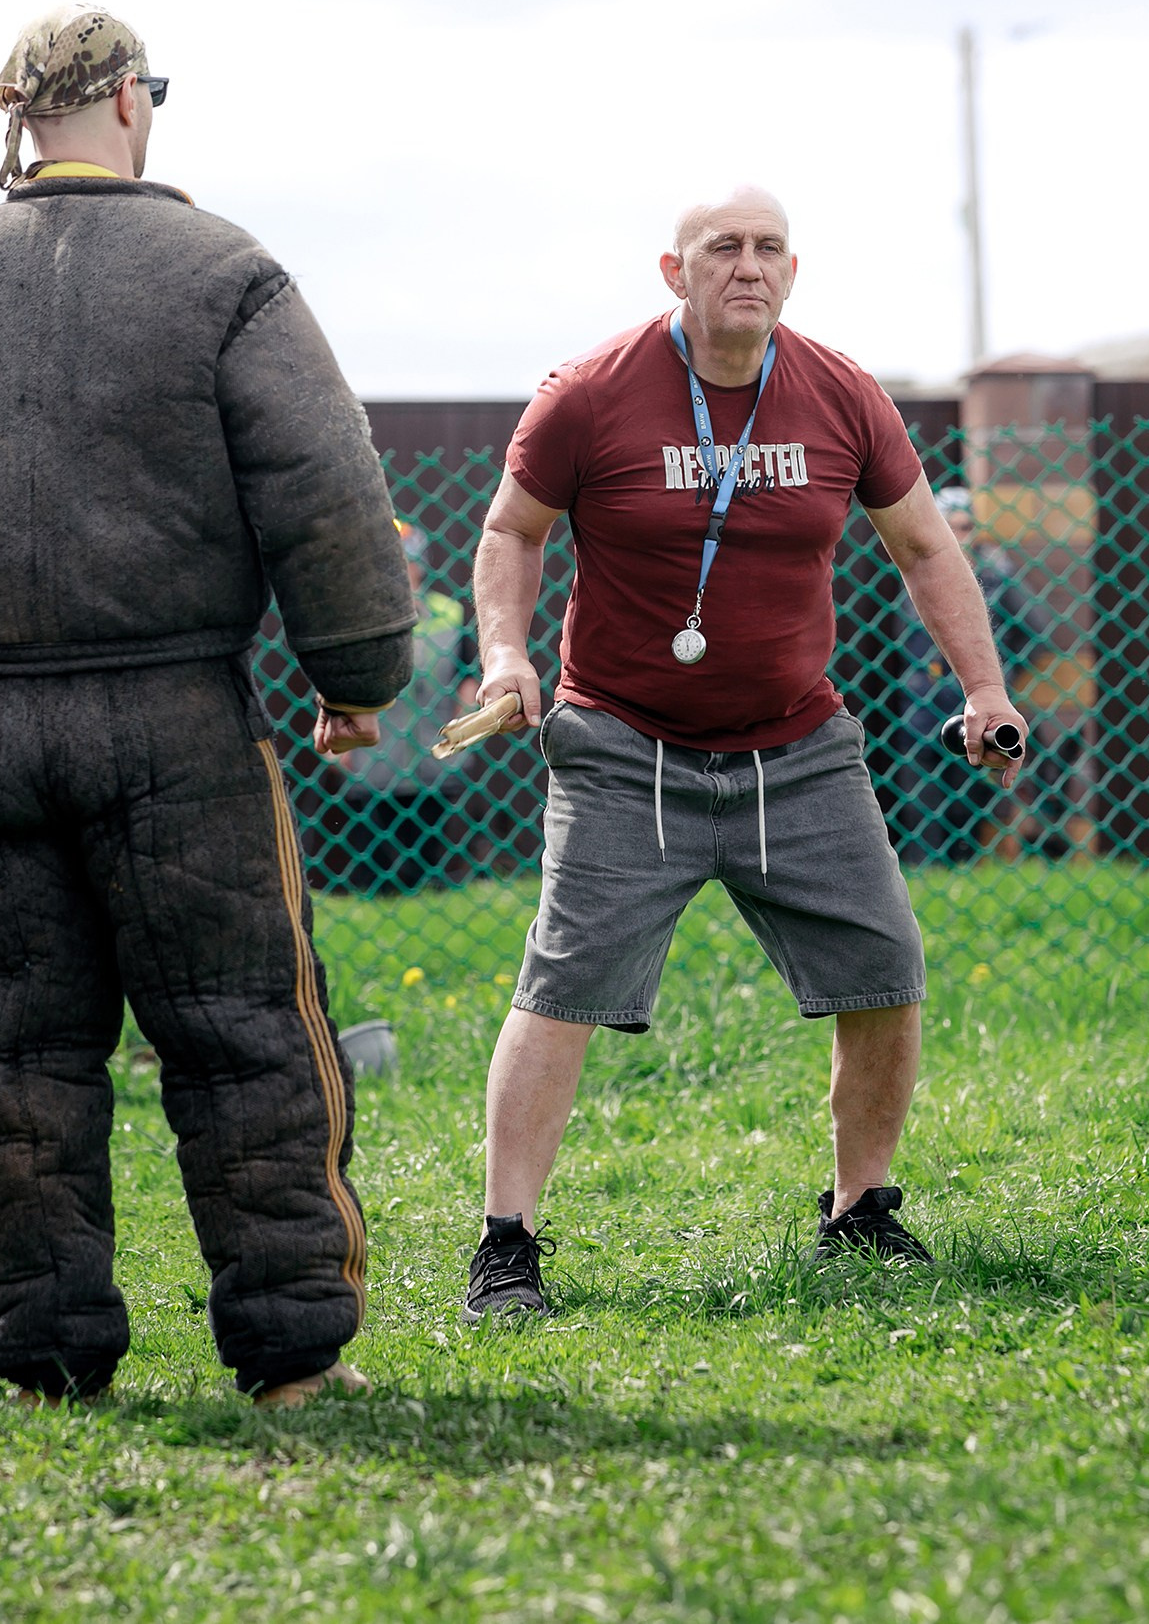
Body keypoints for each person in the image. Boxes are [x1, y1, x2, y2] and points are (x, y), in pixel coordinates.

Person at [0, 5, 414, 1409]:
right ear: (126, 100)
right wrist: (354, 673)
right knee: (240, 1026)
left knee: (19, 1047)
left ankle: (51, 1359)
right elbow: (325, 482)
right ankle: (290, 1358)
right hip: (179, 720)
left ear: (20, 113)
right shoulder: (222, 271)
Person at [460, 186, 1026, 1320]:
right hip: (624, 745)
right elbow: (512, 530)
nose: (748, 268)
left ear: (793, 270)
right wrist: (505, 656)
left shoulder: (841, 394)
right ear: (675, 274)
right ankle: (505, 1245)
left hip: (797, 747)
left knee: (886, 965)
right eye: (723, 248)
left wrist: (983, 687)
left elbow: (923, 546)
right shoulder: (590, 395)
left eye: (769, 249)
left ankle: (859, 1213)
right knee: (561, 986)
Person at [891, 486, 1044, 864]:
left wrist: (1001, 673)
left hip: (972, 701)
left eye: (966, 525)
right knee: (920, 796)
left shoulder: (996, 576)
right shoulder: (915, 571)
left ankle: (964, 865)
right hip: (923, 702)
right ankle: (925, 868)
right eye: (950, 526)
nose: (960, 534)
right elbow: (899, 638)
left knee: (970, 791)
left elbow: (1037, 633)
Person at [328, 520, 480, 894]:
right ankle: (377, 894)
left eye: (404, 563)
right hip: (376, 753)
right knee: (374, 850)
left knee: (429, 842)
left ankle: (429, 891)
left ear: (418, 566)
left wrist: (464, 728)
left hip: (430, 749)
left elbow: (465, 676)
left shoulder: (448, 614)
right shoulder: (357, 617)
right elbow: (337, 680)